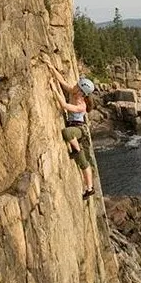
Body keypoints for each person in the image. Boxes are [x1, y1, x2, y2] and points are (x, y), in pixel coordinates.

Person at [42, 55, 97, 200]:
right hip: (75, 128)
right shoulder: (74, 92)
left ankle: (76, 150)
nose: (75, 86)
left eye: (77, 86)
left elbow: (65, 106)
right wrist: (50, 65)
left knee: (68, 134)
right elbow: (62, 81)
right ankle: (90, 188)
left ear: (81, 92)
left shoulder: (81, 105)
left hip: (79, 130)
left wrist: (54, 90)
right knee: (84, 161)